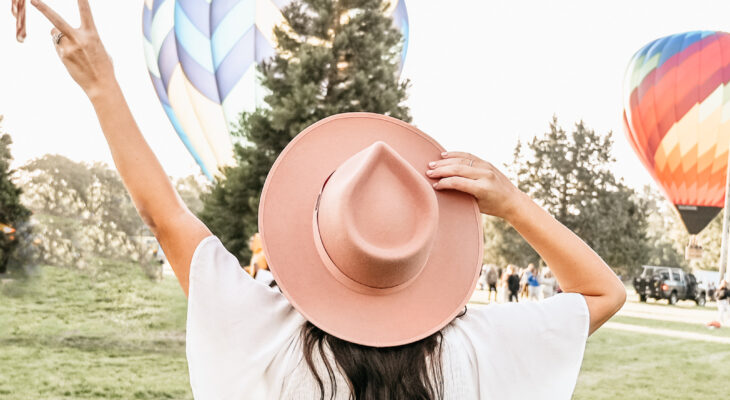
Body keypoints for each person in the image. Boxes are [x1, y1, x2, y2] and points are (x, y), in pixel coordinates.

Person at [32, 2, 626, 398]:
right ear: (423, 254)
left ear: (314, 237)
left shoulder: (256, 329)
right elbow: (605, 292)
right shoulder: (475, 353)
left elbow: (164, 216)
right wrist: (514, 203)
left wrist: (99, 81)